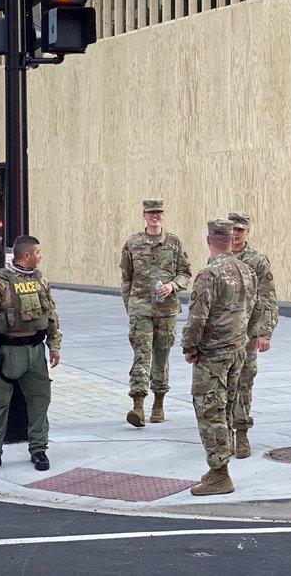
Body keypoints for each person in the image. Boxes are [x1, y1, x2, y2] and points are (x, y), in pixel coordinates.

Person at [0, 234, 62, 475]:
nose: (41, 256)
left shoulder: (40, 280)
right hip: (7, 353)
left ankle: (39, 449)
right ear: (27, 255)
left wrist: (54, 345)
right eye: (38, 252)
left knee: (40, 401)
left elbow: (51, 314)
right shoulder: (0, 282)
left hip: (35, 352)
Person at [182, 218, 253, 496]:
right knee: (225, 409)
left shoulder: (208, 275)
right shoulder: (247, 270)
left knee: (210, 412)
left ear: (209, 240)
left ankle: (220, 474)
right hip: (237, 350)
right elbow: (251, 308)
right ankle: (218, 467)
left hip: (212, 355)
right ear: (229, 239)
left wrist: (190, 347)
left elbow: (196, 318)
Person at [119, 198, 192, 427]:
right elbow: (126, 279)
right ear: (144, 215)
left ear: (163, 215)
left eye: (158, 212)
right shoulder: (132, 243)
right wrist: (130, 307)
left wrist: (172, 286)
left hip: (166, 310)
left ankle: (159, 402)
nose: (155, 216)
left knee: (161, 356)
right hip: (140, 309)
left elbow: (185, 273)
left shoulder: (173, 242)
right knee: (141, 355)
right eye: (151, 213)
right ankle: (138, 405)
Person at [227, 211, 278, 459]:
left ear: (247, 232)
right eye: (232, 230)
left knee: (244, 382)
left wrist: (264, 332)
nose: (235, 234)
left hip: (247, 332)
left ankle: (242, 432)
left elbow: (268, 297)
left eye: (240, 230)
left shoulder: (257, 260)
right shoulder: (218, 258)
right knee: (223, 383)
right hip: (223, 334)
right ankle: (224, 432)